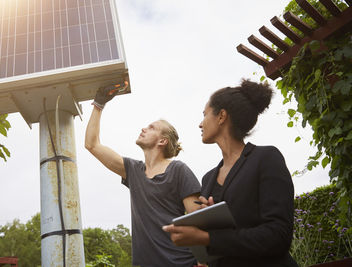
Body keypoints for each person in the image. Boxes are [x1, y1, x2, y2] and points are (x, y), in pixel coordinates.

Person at [163, 79, 299, 267]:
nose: (200, 124)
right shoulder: (208, 178)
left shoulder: (266, 158)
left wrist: (207, 237)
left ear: (221, 116)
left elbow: (278, 236)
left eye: (204, 115)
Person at [85, 83, 202, 267]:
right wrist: (99, 104)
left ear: (162, 141)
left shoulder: (179, 171)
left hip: (182, 263)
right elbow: (92, 145)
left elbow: (199, 220)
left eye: (151, 127)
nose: (144, 129)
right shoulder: (133, 171)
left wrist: (203, 259)